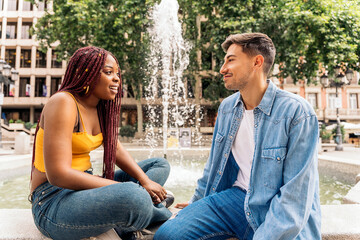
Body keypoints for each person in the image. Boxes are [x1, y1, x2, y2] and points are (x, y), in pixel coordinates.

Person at [155, 33, 321, 239]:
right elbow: (212, 168)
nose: (222, 69)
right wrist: (198, 204)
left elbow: (295, 196)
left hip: (276, 207)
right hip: (237, 198)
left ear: (257, 62)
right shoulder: (227, 108)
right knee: (167, 235)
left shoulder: (297, 112)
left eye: (230, 60)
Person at [29, 46, 173, 240]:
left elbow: (117, 151)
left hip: (84, 186)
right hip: (53, 201)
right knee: (134, 196)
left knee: (158, 165)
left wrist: (145, 181)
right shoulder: (63, 102)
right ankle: (159, 213)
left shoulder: (100, 109)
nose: (116, 79)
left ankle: (144, 209)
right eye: (108, 72)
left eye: (117, 74)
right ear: (85, 74)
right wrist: (120, 188)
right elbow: (58, 175)